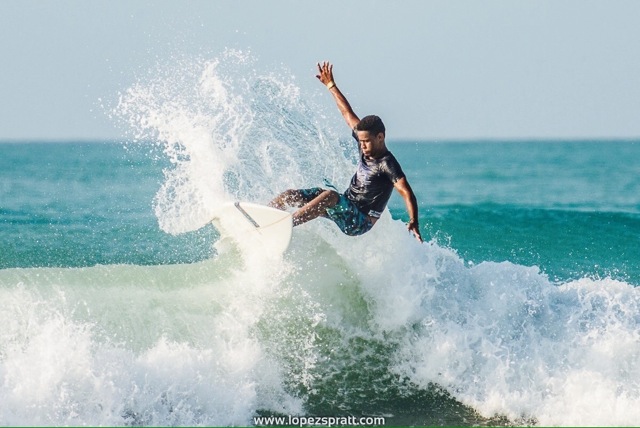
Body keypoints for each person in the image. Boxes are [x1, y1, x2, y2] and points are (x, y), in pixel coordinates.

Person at [269, 62, 423, 242]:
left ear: (380, 137)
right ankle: (264, 216)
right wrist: (331, 86)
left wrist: (413, 220)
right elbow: (347, 113)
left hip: (359, 221)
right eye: (361, 140)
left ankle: (284, 225)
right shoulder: (364, 142)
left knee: (329, 196)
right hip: (346, 205)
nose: (363, 145)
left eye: (367, 141)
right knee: (291, 195)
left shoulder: (386, 163)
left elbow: (406, 191)